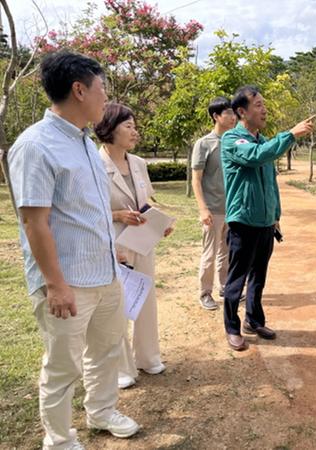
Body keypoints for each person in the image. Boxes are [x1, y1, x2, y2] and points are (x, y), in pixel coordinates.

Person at [7, 50, 139, 450]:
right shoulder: (35, 146)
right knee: (63, 366)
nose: (106, 98)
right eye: (102, 88)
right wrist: (56, 285)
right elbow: (35, 222)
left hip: (105, 272)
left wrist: (115, 230)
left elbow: (83, 210)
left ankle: (100, 412)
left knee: (105, 351)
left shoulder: (83, 142)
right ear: (79, 90)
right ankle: (60, 439)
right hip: (67, 282)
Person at [220, 85, 314, 351]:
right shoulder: (233, 140)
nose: (264, 109)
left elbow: (271, 183)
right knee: (237, 278)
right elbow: (255, 157)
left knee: (259, 275)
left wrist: (275, 215)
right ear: (241, 111)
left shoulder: (263, 141)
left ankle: (254, 320)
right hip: (243, 220)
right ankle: (231, 327)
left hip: (264, 222)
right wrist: (291, 134)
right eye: (258, 105)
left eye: (264, 104)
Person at [95, 102, 173, 389]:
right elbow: (86, 210)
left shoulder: (138, 163)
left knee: (145, 300)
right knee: (117, 305)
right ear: (109, 128)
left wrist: (158, 221)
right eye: (128, 126)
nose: (135, 131)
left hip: (142, 239)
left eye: (135, 126)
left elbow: (146, 201)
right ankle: (120, 368)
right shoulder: (94, 163)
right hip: (113, 241)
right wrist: (116, 215)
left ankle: (148, 357)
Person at [191, 97, 237, 310]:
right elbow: (196, 179)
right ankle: (205, 293)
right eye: (228, 113)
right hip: (212, 209)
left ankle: (225, 287)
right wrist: (203, 208)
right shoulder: (204, 144)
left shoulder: (234, 142)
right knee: (209, 253)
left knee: (226, 251)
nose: (233, 117)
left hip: (232, 209)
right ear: (216, 116)